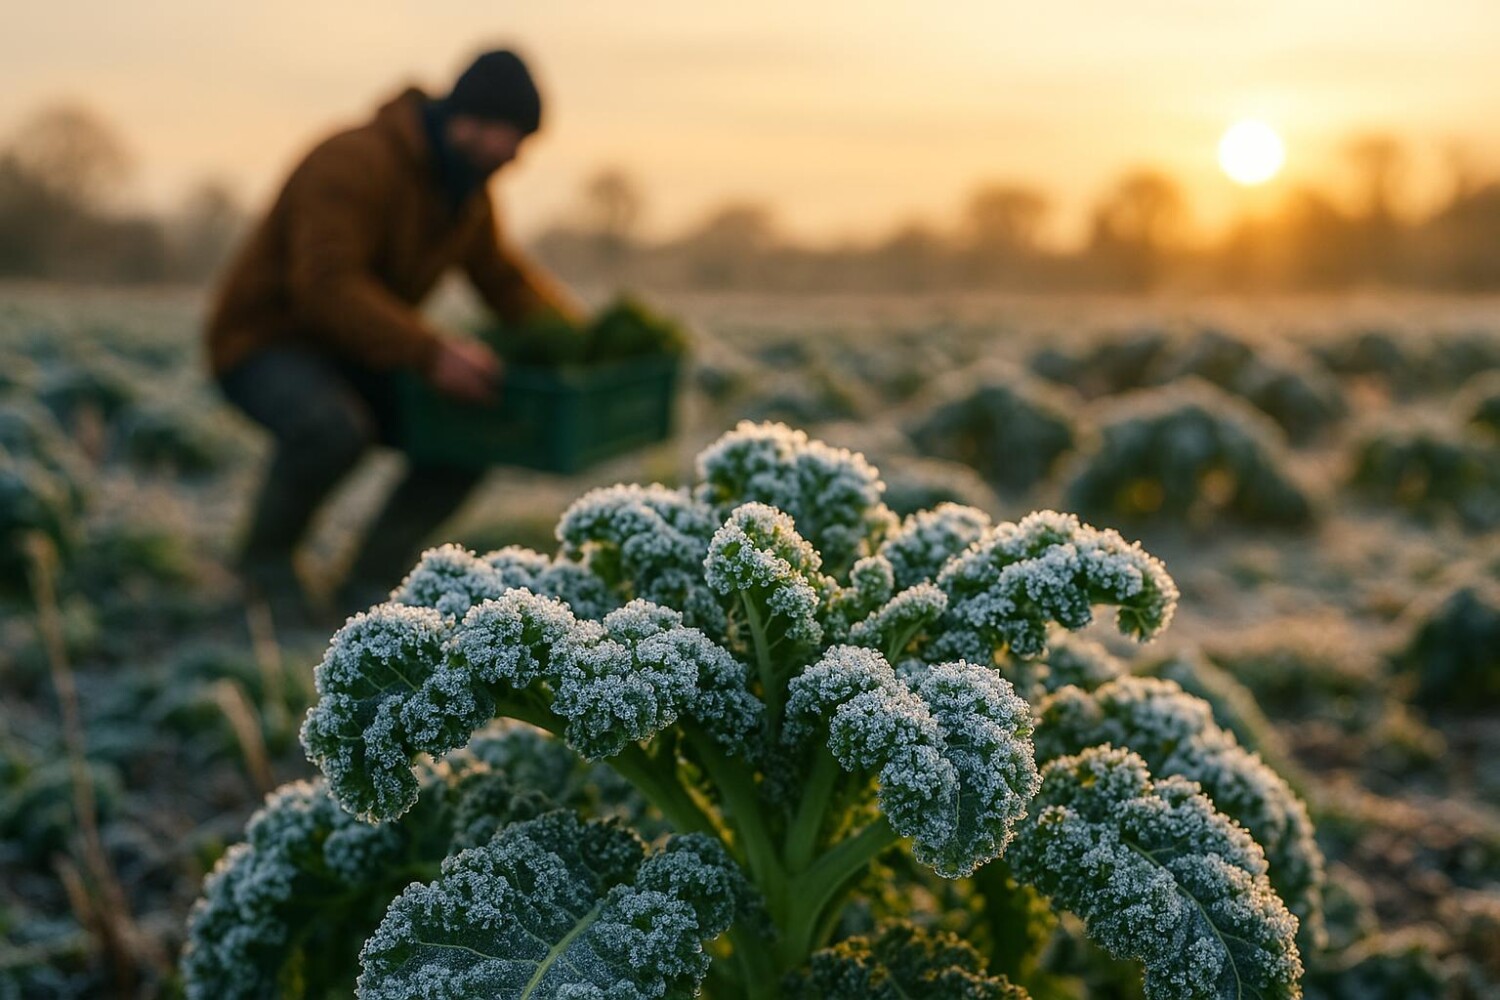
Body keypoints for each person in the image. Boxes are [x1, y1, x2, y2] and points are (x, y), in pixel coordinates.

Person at [206, 49, 579, 624]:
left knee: (470, 431)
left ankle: (370, 578)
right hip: (264, 343)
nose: (515, 155)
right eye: (512, 136)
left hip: (357, 349)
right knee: (331, 428)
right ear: (472, 119)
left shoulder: (465, 196)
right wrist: (431, 353)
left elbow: (505, 281)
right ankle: (263, 572)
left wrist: (586, 341)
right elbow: (326, 285)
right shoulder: (353, 160)